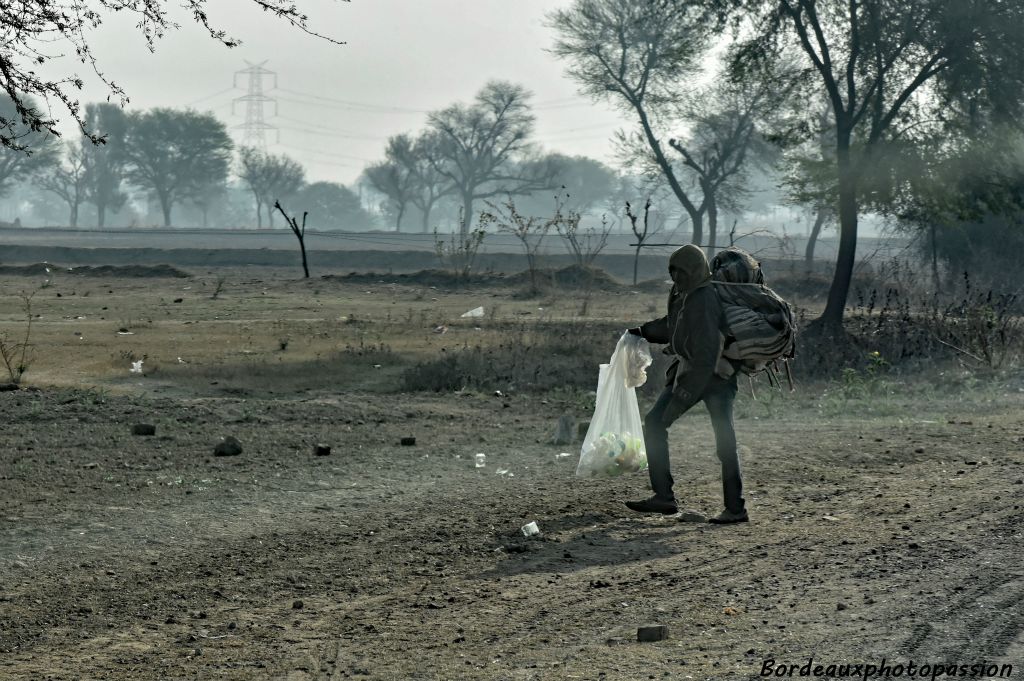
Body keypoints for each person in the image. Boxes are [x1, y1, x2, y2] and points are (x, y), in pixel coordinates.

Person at [626, 244, 748, 524]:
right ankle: (665, 497)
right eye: (673, 271)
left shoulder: (704, 298)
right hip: (692, 372)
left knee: (722, 442)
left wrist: (685, 392)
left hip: (714, 377)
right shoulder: (685, 293)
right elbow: (674, 326)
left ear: (694, 270)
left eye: (682, 271)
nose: (676, 276)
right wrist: (643, 332)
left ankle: (734, 508)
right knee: (657, 424)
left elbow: (706, 354)